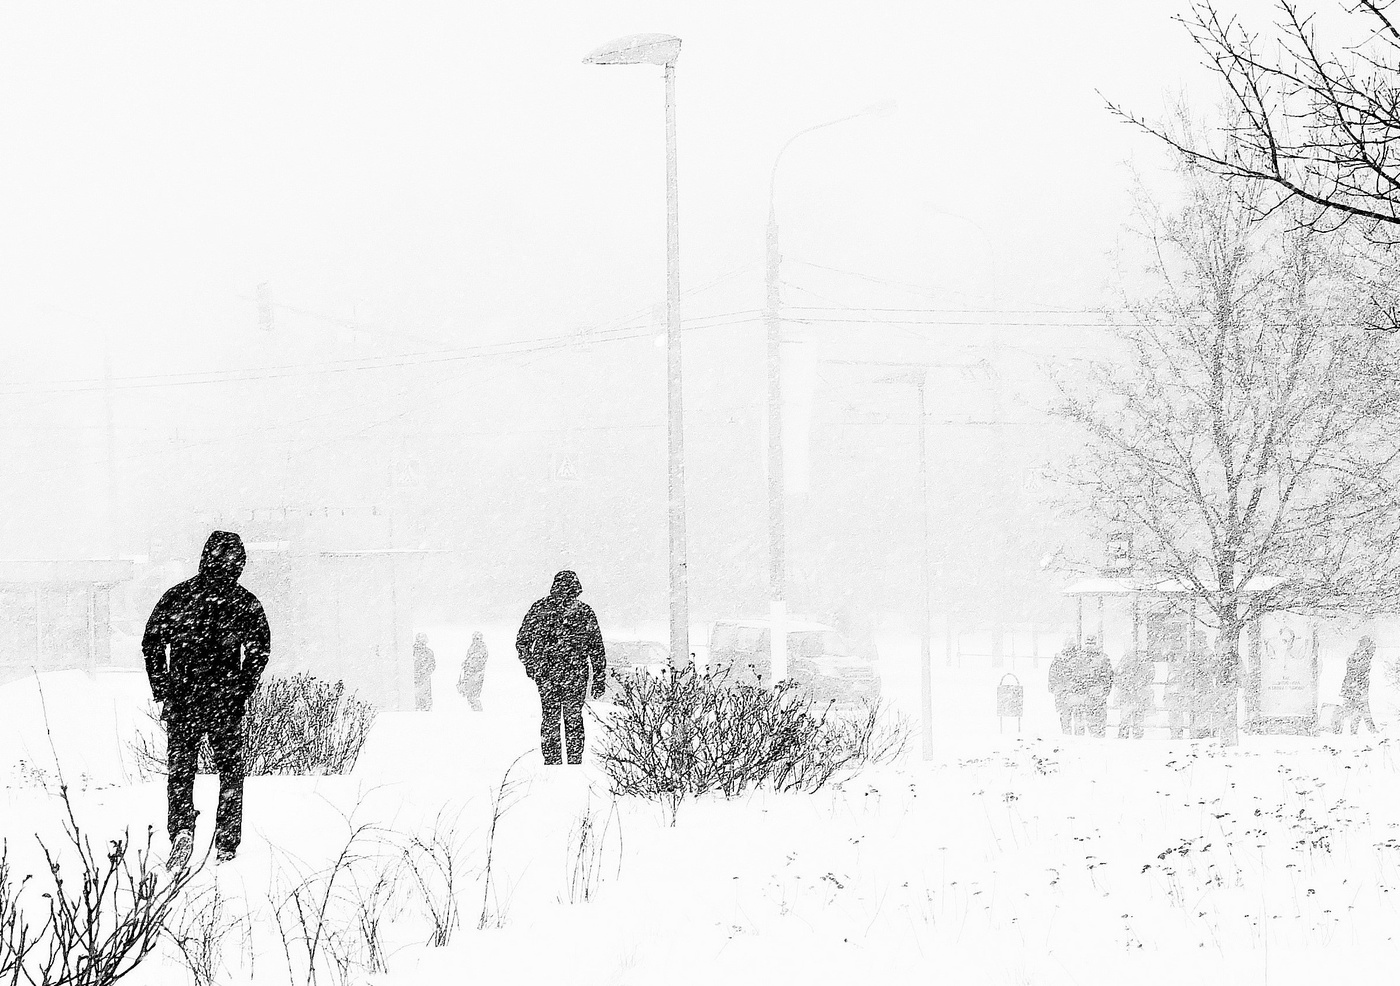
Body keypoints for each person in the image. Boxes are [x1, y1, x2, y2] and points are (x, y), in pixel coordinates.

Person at [142, 531, 271, 868]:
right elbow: (259, 650)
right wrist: (240, 689)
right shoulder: (245, 602)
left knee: (181, 771)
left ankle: (182, 828)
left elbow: (152, 642)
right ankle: (226, 841)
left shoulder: (178, 597)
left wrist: (164, 689)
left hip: (184, 700)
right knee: (230, 771)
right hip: (224, 702)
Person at [515, 571, 606, 766]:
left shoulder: (541, 609)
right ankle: (569, 762)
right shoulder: (583, 612)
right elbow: (597, 649)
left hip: (554, 674)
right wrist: (598, 678)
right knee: (569, 719)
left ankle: (555, 762)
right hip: (569, 674)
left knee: (552, 718)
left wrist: (533, 666)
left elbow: (522, 642)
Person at [1338, 635, 1379, 735]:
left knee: (1355, 709)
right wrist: (1358, 687)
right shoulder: (1361, 657)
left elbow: (1352, 671)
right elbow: (1357, 672)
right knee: (1362, 709)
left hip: (1353, 687)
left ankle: (1349, 729)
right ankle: (1370, 730)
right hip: (1357, 687)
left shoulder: (1356, 655)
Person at [1114, 650, 1155, 740]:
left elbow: (1117, 675)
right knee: (1133, 717)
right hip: (1134, 695)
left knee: (1129, 717)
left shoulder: (1128, 660)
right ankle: (1133, 735)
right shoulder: (1144, 661)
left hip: (1133, 695)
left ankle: (1127, 735)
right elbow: (1117, 676)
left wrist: (1128, 684)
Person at [1082, 637, 1114, 738]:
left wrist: (1105, 689)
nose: (1090, 645)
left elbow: (1109, 675)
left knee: (1096, 714)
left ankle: (1098, 732)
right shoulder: (1082, 658)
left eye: (1092, 643)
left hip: (1097, 691)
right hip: (1092, 691)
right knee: (1092, 714)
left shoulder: (1102, 658)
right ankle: (1095, 732)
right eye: (1088, 643)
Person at [1047, 643, 1077, 735]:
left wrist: (1054, 687)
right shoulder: (1078, 659)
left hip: (1063, 691)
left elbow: (1052, 676)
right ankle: (1074, 733)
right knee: (1074, 713)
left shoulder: (1058, 660)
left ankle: (1067, 732)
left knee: (1065, 714)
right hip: (1073, 691)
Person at [457, 632, 489, 712]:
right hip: (469, 674)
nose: (475, 640)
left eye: (477, 639)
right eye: (474, 639)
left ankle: (478, 711)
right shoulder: (472, 647)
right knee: (469, 694)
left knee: (474, 695)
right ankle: (474, 710)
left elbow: (479, 661)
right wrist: (466, 663)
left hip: (477, 674)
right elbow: (469, 658)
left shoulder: (482, 648)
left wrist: (470, 664)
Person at [1162, 651, 1191, 739]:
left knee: (1176, 714)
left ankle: (1177, 732)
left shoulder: (1176, 673)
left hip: (1177, 693)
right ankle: (1176, 732)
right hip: (1175, 693)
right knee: (1175, 714)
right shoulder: (1174, 673)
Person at [413, 634, 436, 712]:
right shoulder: (411, 652)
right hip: (415, 679)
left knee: (424, 698)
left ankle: (425, 707)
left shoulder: (429, 652)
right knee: (417, 697)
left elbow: (432, 665)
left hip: (424, 679)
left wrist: (425, 673)